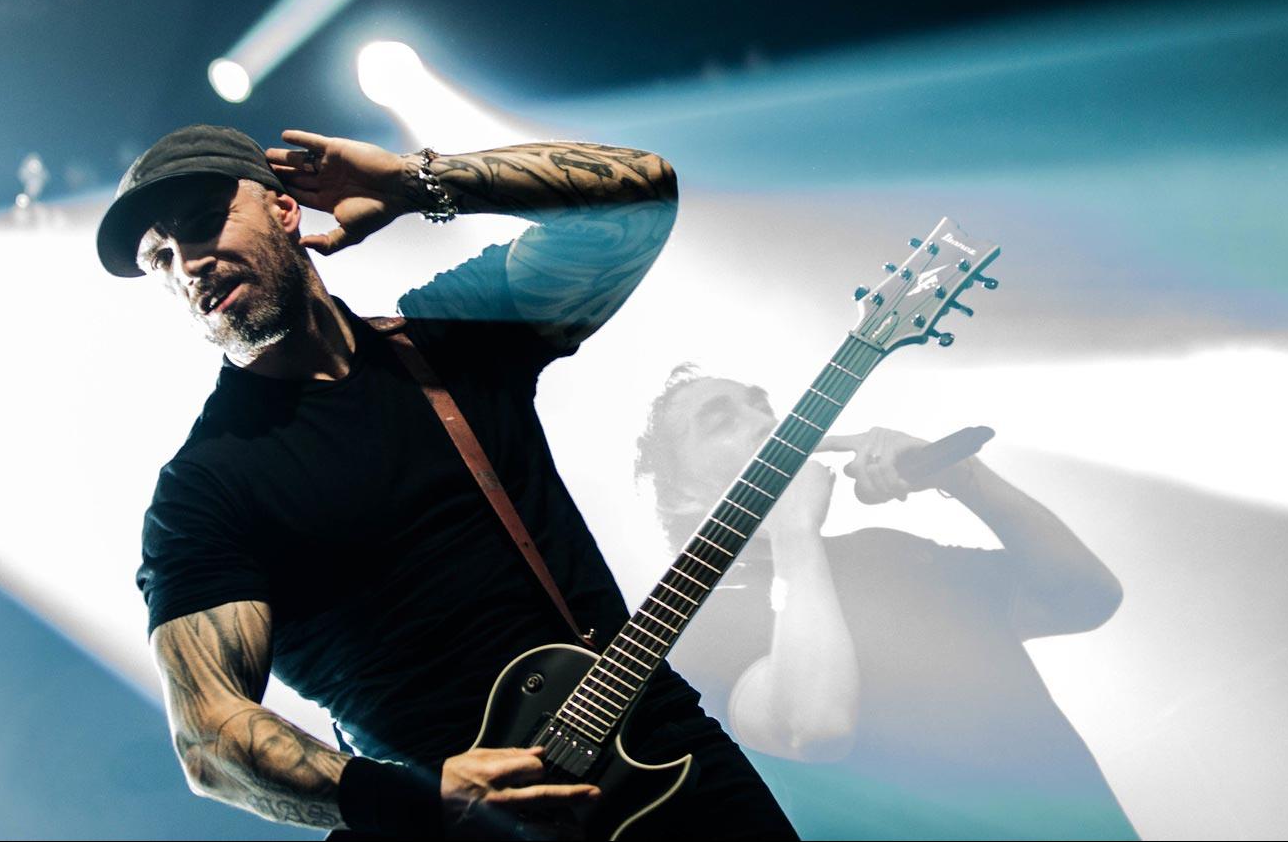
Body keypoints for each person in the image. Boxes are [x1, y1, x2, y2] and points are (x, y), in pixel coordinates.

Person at [97, 125, 797, 839]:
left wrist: (413, 182)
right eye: (160, 258)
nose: (188, 265)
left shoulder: (449, 337)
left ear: (284, 209)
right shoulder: (204, 489)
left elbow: (640, 194)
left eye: (202, 222)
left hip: (657, 746)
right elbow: (210, 739)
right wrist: (421, 797)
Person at [634, 367, 1138, 840]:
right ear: (681, 496)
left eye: (760, 405)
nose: (767, 422)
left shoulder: (884, 549)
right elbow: (815, 726)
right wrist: (792, 528)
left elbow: (1086, 597)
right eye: (722, 421)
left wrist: (960, 475)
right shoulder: (694, 625)